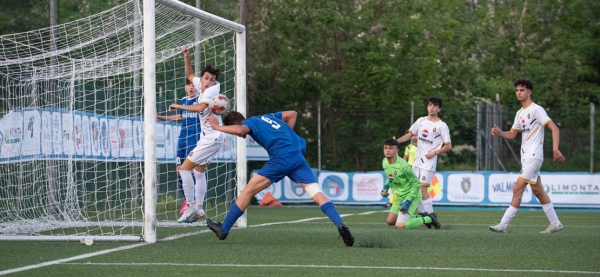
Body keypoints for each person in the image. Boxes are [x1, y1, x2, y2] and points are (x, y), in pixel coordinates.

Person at [204, 110, 354, 247]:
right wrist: (287, 134)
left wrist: (216, 126)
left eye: (234, 132)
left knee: (248, 191)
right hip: (297, 156)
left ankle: (223, 229)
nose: (237, 135)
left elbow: (240, 129)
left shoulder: (249, 123)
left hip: (281, 158)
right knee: (317, 194)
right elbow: (293, 114)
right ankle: (339, 223)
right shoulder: (268, 117)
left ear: (237, 122)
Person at [489, 79, 566, 233]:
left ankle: (503, 225)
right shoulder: (520, 113)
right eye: (517, 90)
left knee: (517, 188)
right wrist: (499, 133)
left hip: (534, 155)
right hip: (526, 157)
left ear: (529, 92)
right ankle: (555, 223)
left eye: (522, 90)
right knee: (537, 191)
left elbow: (554, 128)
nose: (519, 92)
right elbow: (511, 135)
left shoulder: (536, 109)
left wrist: (555, 149)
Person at [167, 47, 223, 223]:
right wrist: (187, 57)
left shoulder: (211, 91)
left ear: (215, 83)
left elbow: (200, 108)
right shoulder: (202, 83)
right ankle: (198, 208)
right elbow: (190, 74)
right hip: (210, 137)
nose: (207, 82)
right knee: (199, 172)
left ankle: (191, 206)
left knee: (184, 169)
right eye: (206, 78)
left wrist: (179, 106)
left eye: (211, 80)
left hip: (211, 138)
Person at [396, 97, 452, 216]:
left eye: (435, 105)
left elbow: (448, 146)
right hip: (417, 161)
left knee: (422, 190)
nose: (432, 107)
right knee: (415, 190)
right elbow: (409, 135)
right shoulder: (420, 121)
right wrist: (396, 142)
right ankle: (427, 216)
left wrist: (435, 153)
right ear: (427, 107)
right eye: (430, 105)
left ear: (439, 109)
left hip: (429, 162)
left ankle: (430, 216)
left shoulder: (442, 125)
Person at [156, 80, 201, 215]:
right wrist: (162, 117)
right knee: (179, 170)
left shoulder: (201, 100)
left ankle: (193, 203)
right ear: (185, 87)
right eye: (188, 85)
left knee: (189, 169)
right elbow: (180, 116)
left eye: (193, 85)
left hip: (195, 137)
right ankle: (187, 201)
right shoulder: (183, 100)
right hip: (182, 138)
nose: (191, 87)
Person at [380, 139, 440, 229]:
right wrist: (385, 187)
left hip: (412, 196)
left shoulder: (403, 166)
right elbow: (390, 177)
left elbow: (416, 184)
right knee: (390, 221)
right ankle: (421, 217)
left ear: (397, 151)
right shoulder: (384, 161)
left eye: (391, 148)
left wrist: (407, 202)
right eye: (385, 148)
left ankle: (429, 219)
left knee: (400, 226)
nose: (387, 150)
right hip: (400, 196)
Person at [386, 134, 418, 207]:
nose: (414, 137)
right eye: (413, 136)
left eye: (416, 135)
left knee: (417, 187)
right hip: (409, 168)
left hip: (419, 169)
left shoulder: (423, 147)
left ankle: (416, 203)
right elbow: (405, 158)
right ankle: (393, 201)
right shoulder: (409, 147)